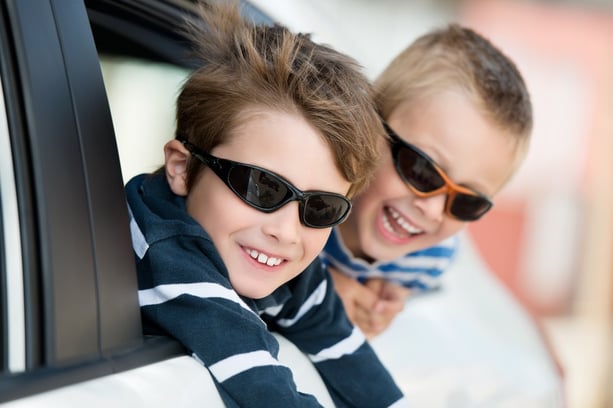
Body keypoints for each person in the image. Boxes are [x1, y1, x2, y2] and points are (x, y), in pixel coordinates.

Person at [125, 1, 407, 407]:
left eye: (320, 209)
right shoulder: (165, 254)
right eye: (263, 188)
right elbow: (263, 389)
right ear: (183, 168)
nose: (286, 231)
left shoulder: (289, 263)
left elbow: (347, 356)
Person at [320, 24, 533, 339]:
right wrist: (318, 286)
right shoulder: (305, 195)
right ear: (367, 122)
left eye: (466, 202)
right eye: (423, 170)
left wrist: (383, 304)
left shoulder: (429, 259)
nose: (433, 211)